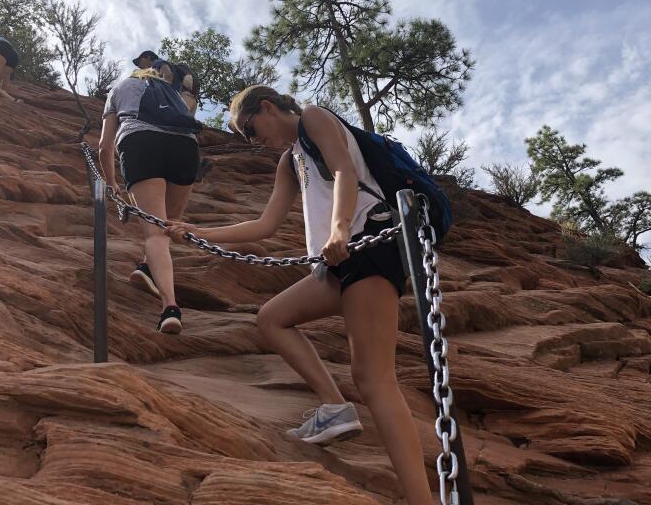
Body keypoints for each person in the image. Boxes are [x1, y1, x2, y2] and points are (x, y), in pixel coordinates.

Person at [166, 86, 433, 505]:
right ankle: (334, 407)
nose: (255, 142)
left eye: (252, 130)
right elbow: (265, 224)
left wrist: (340, 229)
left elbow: (345, 170)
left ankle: (422, 499)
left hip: (367, 244)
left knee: (374, 379)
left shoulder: (314, 118)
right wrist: (201, 233)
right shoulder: (290, 161)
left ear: (268, 108)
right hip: (335, 265)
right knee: (272, 318)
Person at [99, 66, 201, 334]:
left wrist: (112, 185)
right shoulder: (170, 90)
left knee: (156, 232)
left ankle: (170, 307)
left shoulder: (120, 88)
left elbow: (104, 146)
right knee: (170, 224)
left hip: (141, 142)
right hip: (186, 147)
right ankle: (146, 267)